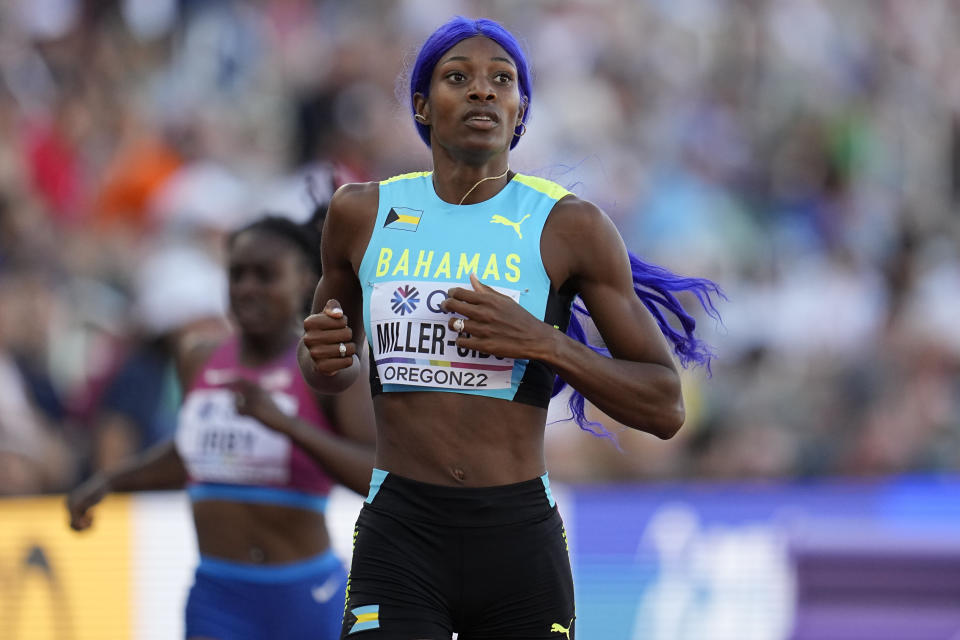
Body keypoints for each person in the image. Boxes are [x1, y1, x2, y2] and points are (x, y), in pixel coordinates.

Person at [297, 16, 722, 640]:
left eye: (502, 80)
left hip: (517, 537)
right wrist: (326, 359)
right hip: (402, 529)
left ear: (521, 112)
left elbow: (665, 405)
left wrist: (543, 341)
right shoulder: (362, 213)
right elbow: (328, 370)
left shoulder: (568, 226)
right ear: (422, 104)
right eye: (457, 78)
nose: (482, 91)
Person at [67, 214, 376, 640]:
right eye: (237, 274)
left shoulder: (328, 368)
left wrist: (285, 425)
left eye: (265, 275)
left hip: (304, 596)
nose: (248, 287)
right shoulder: (197, 357)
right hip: (218, 595)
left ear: (305, 280)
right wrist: (108, 481)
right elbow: (188, 457)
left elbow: (374, 476)